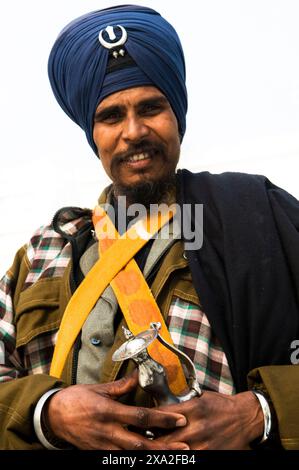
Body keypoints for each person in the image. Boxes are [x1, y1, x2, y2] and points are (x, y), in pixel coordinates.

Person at [0, 4, 299, 451]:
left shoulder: (259, 216)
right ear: (92, 132)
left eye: (151, 107)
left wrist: (262, 412)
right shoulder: (42, 255)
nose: (134, 131)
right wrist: (46, 413)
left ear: (177, 114)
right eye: (111, 116)